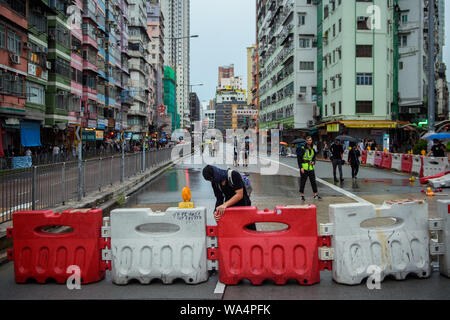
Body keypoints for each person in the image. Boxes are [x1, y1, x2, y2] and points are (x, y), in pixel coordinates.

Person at [297, 136, 322, 201]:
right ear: (306, 141)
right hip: (304, 167)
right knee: (303, 182)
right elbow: (299, 159)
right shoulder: (302, 148)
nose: (309, 141)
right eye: (308, 140)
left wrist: (313, 162)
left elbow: (314, 157)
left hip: (311, 167)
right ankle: (302, 195)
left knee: (313, 181)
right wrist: (301, 167)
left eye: (310, 140)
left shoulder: (313, 148)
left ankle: (315, 195)